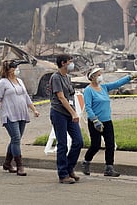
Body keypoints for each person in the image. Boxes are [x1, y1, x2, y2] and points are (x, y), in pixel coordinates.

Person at [80, 67, 137, 177]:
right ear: (92, 77)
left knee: (110, 144)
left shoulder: (104, 87)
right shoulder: (88, 90)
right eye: (98, 74)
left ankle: (109, 167)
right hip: (95, 122)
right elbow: (88, 107)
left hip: (107, 121)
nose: (101, 76)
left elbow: (117, 83)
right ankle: (86, 161)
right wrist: (95, 120)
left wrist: (130, 76)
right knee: (95, 145)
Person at [0, 60, 40, 176]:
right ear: (9, 70)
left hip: (21, 113)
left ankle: (7, 163)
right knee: (16, 138)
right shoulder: (2, 83)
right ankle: (19, 165)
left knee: (15, 140)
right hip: (9, 114)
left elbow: (26, 96)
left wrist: (33, 109)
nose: (16, 70)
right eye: (14, 68)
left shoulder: (20, 81)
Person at [49, 54, 83, 184]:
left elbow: (71, 95)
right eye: (69, 62)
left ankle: (70, 167)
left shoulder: (68, 77)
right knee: (62, 144)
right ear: (63, 63)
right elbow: (61, 97)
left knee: (78, 141)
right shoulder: (56, 77)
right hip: (59, 113)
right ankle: (63, 174)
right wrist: (73, 113)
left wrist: (74, 111)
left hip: (70, 113)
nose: (71, 64)